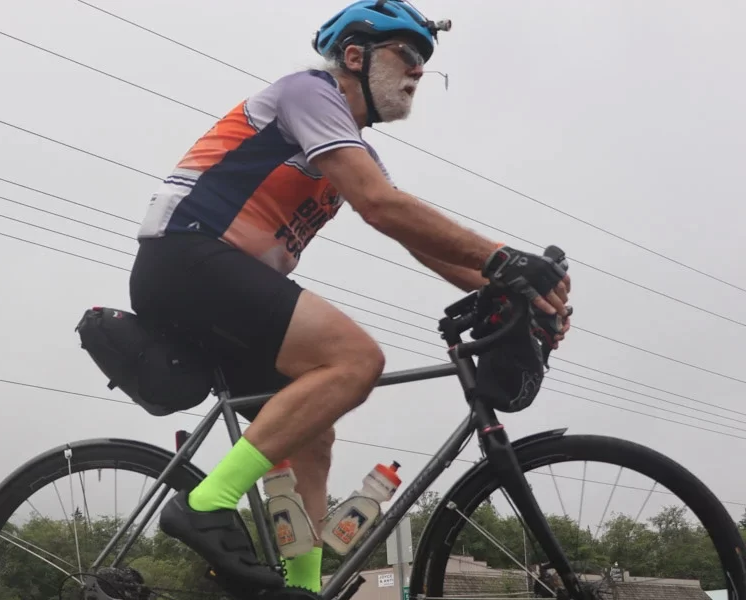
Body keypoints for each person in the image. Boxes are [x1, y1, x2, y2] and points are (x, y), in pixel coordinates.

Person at [128, 0, 572, 594]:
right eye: (409, 54)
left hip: (215, 278)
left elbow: (417, 238)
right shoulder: (308, 93)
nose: (419, 71)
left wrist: (513, 289)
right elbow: (381, 205)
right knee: (356, 360)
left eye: (424, 62)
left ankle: (302, 587)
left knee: (314, 434)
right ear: (356, 56)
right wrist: (501, 257)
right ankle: (208, 502)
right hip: (187, 254)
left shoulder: (350, 146)